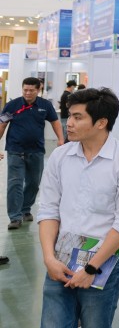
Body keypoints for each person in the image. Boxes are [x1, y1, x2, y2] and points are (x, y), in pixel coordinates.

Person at [37, 87, 119, 328]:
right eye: (69, 115)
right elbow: (48, 210)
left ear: (101, 123)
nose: (69, 123)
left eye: (78, 117)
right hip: (61, 258)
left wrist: (91, 269)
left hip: (103, 261)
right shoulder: (61, 157)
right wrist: (49, 258)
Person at [1, 77, 63, 229]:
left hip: (36, 150)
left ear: (38, 90)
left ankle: (25, 209)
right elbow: (2, 125)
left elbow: (55, 121)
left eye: (31, 90)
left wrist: (61, 139)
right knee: (14, 183)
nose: (28, 93)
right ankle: (15, 217)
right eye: (25, 90)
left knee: (33, 183)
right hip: (15, 150)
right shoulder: (12, 105)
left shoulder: (45, 105)